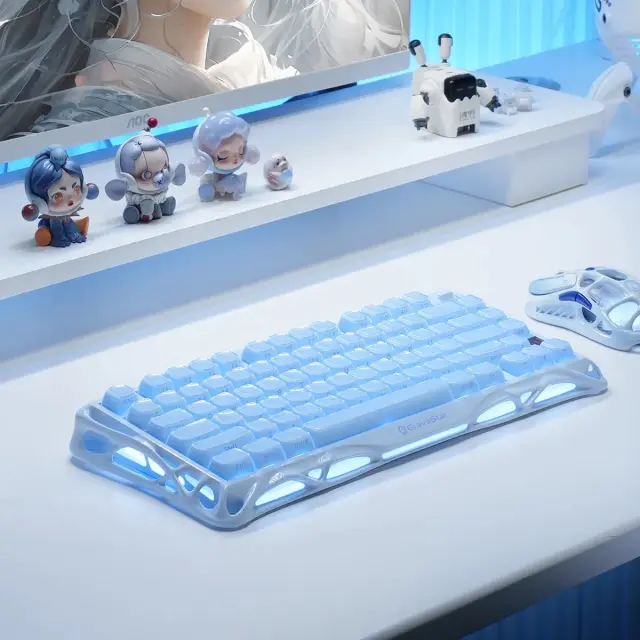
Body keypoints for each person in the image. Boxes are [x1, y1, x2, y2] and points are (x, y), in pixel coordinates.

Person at [21, 145, 100, 247]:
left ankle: (73, 234)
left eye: (76, 188)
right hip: (51, 224)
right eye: (58, 196)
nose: (70, 198)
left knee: (67, 222)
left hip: (66, 220)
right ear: (41, 201)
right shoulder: (50, 213)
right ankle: (57, 236)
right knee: (56, 224)